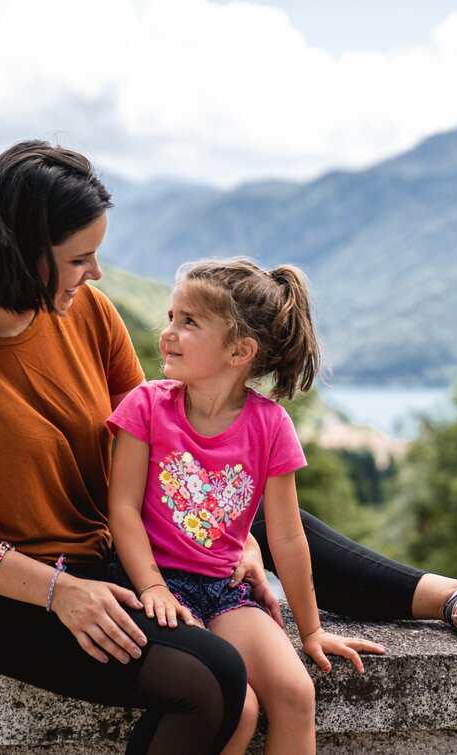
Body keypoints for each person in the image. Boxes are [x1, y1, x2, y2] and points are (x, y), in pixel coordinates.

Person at [0, 139, 457, 755]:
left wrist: (232, 543)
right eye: (79, 258)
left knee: (236, 489)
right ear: (21, 252)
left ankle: (456, 596)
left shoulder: (81, 311)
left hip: (99, 554)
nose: (94, 275)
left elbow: (168, 439)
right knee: (216, 680)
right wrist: (59, 592)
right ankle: (449, 594)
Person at [106, 258, 385, 753]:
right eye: (171, 316)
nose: (168, 332)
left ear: (240, 350)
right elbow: (123, 510)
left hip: (223, 589)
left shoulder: (270, 425)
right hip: (154, 585)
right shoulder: (146, 407)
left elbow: (286, 536)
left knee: (297, 693)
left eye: (189, 322)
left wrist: (312, 629)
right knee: (237, 709)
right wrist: (151, 587)